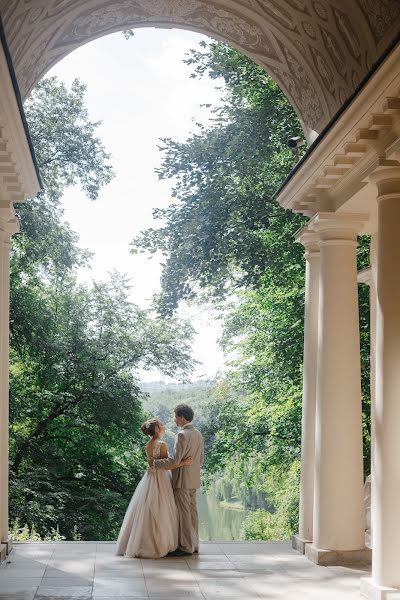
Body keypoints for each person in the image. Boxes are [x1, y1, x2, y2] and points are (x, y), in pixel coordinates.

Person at [116, 418, 192, 558]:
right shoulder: (161, 444)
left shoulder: (149, 444)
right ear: (157, 429)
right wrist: (184, 462)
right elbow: (167, 465)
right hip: (161, 479)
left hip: (150, 478)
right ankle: (159, 543)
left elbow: (152, 463)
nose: (164, 426)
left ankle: (141, 541)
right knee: (162, 509)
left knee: (148, 509)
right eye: (161, 425)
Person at [150, 404, 204, 556]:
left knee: (184, 514)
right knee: (193, 512)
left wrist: (156, 463)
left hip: (181, 480)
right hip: (194, 480)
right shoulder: (198, 434)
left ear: (181, 417)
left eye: (175, 416)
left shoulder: (182, 435)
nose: (174, 419)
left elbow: (174, 461)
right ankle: (194, 544)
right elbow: (201, 459)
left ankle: (186, 547)